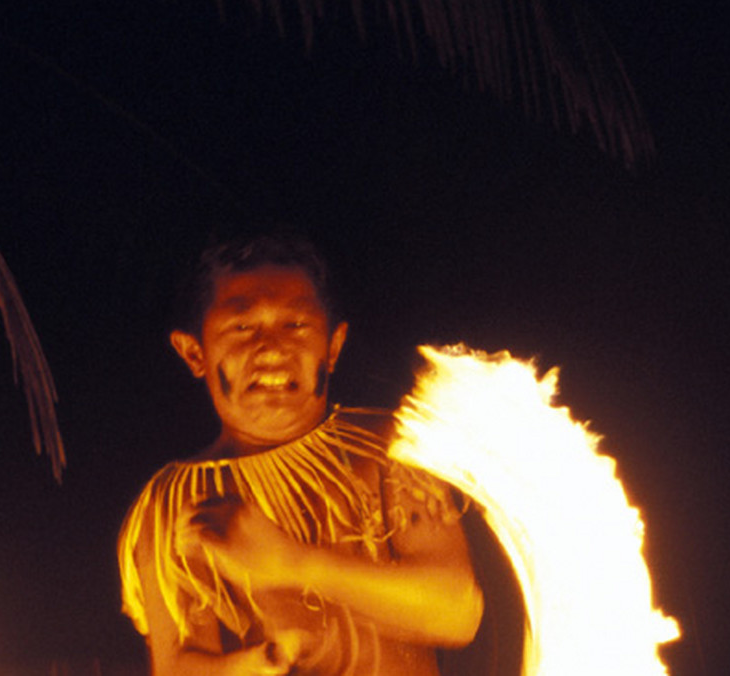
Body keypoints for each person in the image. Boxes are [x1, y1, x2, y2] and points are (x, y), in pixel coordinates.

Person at [118, 235, 483, 675]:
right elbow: (177, 666)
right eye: (242, 327)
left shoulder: (390, 448)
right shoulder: (172, 505)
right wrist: (259, 663)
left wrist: (292, 562)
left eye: (296, 325)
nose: (271, 349)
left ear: (332, 345)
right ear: (194, 351)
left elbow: (456, 611)